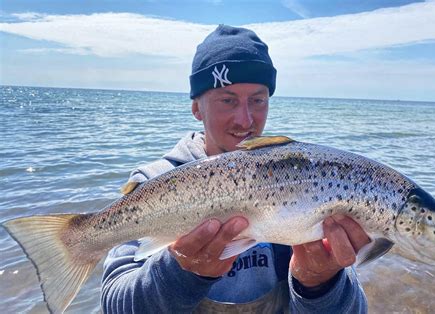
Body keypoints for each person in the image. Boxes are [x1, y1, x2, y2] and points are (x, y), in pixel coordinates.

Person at [101, 24, 370, 313]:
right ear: (196, 108)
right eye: (227, 100)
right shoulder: (153, 183)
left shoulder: (302, 181)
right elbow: (115, 303)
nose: (245, 120)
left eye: (257, 100)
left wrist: (319, 283)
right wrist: (179, 272)